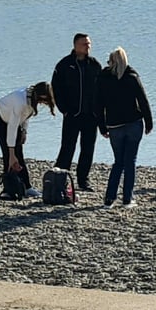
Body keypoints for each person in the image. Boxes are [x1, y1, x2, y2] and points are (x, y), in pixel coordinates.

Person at [96, 47, 153, 209]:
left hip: (114, 125)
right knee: (130, 162)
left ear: (111, 62)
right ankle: (127, 199)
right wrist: (149, 122)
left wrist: (102, 127)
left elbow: (98, 105)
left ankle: (109, 199)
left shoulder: (103, 79)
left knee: (118, 162)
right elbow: (143, 100)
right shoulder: (132, 77)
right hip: (134, 123)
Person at [52, 32, 104, 192]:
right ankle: (60, 177)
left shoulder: (95, 65)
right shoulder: (64, 65)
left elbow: (102, 90)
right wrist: (65, 110)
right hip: (72, 115)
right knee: (67, 147)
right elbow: (55, 89)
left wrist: (100, 115)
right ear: (75, 45)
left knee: (88, 149)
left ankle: (83, 181)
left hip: (91, 115)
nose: (87, 46)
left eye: (89, 44)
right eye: (84, 44)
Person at [0, 81, 55, 189]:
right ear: (38, 96)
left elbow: (26, 115)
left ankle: (26, 186)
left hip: (13, 121)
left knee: (19, 151)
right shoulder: (20, 100)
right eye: (43, 100)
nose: (43, 103)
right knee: (8, 152)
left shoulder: (32, 98)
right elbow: (12, 127)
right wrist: (11, 153)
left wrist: (24, 131)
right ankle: (9, 187)